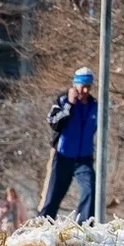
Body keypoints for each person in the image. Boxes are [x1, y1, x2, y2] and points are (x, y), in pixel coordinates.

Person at [38, 66, 100, 223]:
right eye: (82, 86)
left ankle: (84, 224)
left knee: (90, 188)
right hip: (63, 155)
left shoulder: (94, 105)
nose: (85, 90)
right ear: (75, 85)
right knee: (53, 195)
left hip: (84, 158)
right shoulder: (63, 100)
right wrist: (69, 106)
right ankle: (42, 224)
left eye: (88, 87)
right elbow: (54, 123)